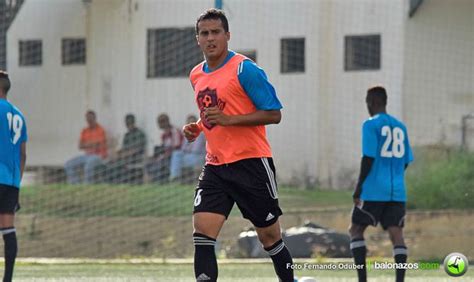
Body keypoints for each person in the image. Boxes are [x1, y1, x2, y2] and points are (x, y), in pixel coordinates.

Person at [185, 9, 293, 282]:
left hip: (252, 164)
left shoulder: (245, 69)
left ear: (227, 36)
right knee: (202, 233)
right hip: (216, 166)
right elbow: (214, 111)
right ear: (197, 38)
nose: (210, 38)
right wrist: (197, 128)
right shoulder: (196, 74)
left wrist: (230, 120)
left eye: (216, 33)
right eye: (204, 33)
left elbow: (273, 114)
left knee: (270, 238)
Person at [349, 86, 414, 282]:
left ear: (372, 102)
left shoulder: (370, 124)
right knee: (396, 233)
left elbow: (368, 157)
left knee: (356, 230)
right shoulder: (401, 127)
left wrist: (359, 187)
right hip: (397, 192)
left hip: (373, 190)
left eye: (367, 102)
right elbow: (406, 160)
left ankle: (362, 280)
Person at [0, 71, 27, 282]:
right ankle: (7, 279)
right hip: (12, 181)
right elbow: (23, 153)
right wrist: (17, 182)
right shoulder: (19, 115)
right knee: (8, 229)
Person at [64, 110, 107, 184]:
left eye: (90, 118)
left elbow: (97, 145)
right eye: (87, 119)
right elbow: (80, 146)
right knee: (68, 164)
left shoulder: (100, 129)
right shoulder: (85, 131)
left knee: (88, 165)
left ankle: (87, 185)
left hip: (98, 156)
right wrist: (90, 144)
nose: (89, 121)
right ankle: (76, 185)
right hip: (87, 156)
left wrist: (86, 144)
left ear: (94, 118)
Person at [104, 114, 146, 184]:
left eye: (129, 122)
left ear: (133, 122)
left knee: (116, 167)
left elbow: (138, 149)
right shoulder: (127, 135)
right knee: (108, 164)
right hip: (125, 159)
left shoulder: (140, 133)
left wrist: (123, 155)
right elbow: (123, 149)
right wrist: (116, 154)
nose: (128, 125)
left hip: (135, 159)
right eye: (127, 123)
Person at [146, 113, 183, 183]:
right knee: (149, 162)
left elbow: (177, 146)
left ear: (166, 121)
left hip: (175, 155)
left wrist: (164, 155)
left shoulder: (174, 131)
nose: (159, 124)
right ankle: (151, 181)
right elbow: (164, 148)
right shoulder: (163, 135)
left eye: (161, 122)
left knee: (161, 162)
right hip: (166, 155)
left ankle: (161, 181)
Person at [169, 114, 206, 182]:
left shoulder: (200, 134)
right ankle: (175, 177)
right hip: (188, 156)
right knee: (176, 154)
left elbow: (196, 149)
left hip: (197, 157)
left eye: (192, 123)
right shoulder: (187, 134)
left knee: (178, 158)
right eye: (189, 123)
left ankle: (175, 177)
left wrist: (186, 150)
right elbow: (183, 148)